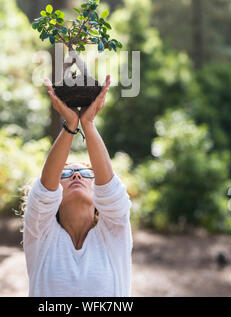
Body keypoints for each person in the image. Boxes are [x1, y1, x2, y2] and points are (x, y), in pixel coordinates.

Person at [22, 74, 133, 297]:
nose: (76, 176)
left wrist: (88, 124)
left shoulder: (114, 233)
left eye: (85, 173)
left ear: (97, 193)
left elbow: (111, 193)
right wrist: (71, 125)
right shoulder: (40, 234)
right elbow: (43, 193)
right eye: (66, 173)